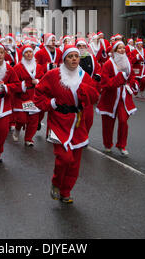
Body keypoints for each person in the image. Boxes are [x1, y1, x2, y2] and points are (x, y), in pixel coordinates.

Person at [34, 45, 99, 204]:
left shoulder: (84, 76)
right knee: (64, 158)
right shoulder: (53, 75)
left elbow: (95, 96)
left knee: (74, 162)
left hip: (77, 123)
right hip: (57, 122)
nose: (74, 59)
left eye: (76, 56)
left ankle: (66, 191)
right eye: (70, 56)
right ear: (64, 59)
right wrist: (52, 104)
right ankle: (56, 183)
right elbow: (38, 95)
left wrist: (84, 89)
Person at [96, 41, 139, 156]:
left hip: (124, 97)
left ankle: (122, 145)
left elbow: (131, 77)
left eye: (123, 48)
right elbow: (105, 83)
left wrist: (133, 83)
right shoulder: (108, 64)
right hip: (110, 97)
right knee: (108, 122)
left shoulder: (127, 61)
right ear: (113, 51)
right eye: (119, 48)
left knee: (123, 121)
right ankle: (107, 144)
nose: (122, 50)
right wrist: (119, 78)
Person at [12, 45, 45, 146]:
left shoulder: (38, 67)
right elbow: (13, 81)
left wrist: (38, 81)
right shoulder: (18, 67)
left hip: (34, 96)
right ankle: (17, 129)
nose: (29, 54)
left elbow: (44, 79)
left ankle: (28, 139)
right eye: (26, 52)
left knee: (33, 120)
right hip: (23, 96)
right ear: (23, 55)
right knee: (22, 119)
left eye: (30, 52)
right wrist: (22, 85)